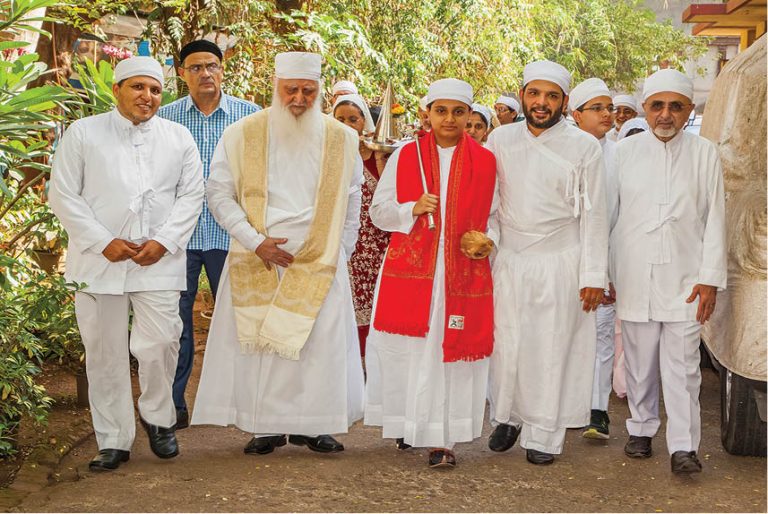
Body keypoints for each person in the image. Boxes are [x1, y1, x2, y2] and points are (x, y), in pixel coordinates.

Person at [191, 52, 365, 456]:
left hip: (321, 258)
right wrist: (254, 241)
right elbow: (217, 193)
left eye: (308, 90)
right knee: (264, 345)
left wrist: (341, 249)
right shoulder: (242, 133)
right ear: (276, 87)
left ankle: (316, 425)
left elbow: (353, 197)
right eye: (291, 90)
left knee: (317, 347)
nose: (299, 99)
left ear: (319, 91)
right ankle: (264, 426)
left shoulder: (343, 137)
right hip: (260, 254)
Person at [48, 56, 204, 471]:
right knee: (103, 353)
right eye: (137, 88)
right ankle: (113, 439)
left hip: (158, 261)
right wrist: (103, 242)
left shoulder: (178, 137)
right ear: (117, 90)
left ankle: (158, 418)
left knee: (161, 343)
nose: (147, 97)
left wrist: (165, 241)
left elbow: (192, 196)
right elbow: (62, 195)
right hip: (97, 262)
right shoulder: (83, 133)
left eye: (154, 90)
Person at [364, 78, 497, 469]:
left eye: (459, 112)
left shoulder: (486, 161)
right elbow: (379, 212)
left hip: (462, 275)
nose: (450, 119)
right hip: (411, 272)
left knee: (449, 355)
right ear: (428, 114)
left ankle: (443, 439)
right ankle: (409, 425)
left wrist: (489, 241)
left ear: (470, 115)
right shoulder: (407, 155)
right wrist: (412, 209)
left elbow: (498, 217)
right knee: (410, 354)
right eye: (441, 111)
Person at [486, 60, 609, 465]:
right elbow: (489, 205)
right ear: (522, 95)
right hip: (511, 260)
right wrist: (486, 243)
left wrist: (593, 275)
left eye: (551, 96)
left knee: (552, 347)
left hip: (561, 261)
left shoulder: (585, 147)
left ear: (565, 102)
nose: (542, 103)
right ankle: (509, 417)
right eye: (534, 93)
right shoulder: (500, 140)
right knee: (508, 344)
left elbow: (594, 217)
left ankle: (545, 434)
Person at [607, 68, 726, 474]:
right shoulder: (622, 153)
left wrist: (710, 278)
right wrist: (606, 272)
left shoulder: (705, 153)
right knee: (638, 362)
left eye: (676, 106)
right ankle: (640, 429)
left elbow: (716, 220)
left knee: (684, 367)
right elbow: (608, 216)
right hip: (635, 273)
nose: (665, 114)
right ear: (645, 108)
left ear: (689, 109)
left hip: (687, 280)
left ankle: (683, 447)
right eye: (657, 105)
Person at [157, 40, 260, 430]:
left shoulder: (249, 117)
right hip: (177, 239)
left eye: (212, 66)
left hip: (231, 237)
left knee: (237, 323)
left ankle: (240, 405)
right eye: (196, 67)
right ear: (182, 73)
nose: (205, 74)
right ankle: (173, 406)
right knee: (174, 325)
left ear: (222, 70)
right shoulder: (164, 119)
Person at [568, 77, 619, 440]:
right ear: (576, 114)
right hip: (563, 260)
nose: (606, 114)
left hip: (608, 261)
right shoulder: (564, 150)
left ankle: (597, 410)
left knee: (602, 335)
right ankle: (560, 406)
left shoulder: (623, 153)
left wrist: (608, 269)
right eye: (597, 108)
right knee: (563, 336)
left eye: (609, 107)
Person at [332, 94, 390, 357]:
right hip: (344, 242)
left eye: (353, 119)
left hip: (376, 245)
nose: (346, 125)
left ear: (364, 121)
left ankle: (372, 364)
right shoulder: (330, 155)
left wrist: (379, 162)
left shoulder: (382, 154)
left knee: (377, 303)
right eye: (340, 119)